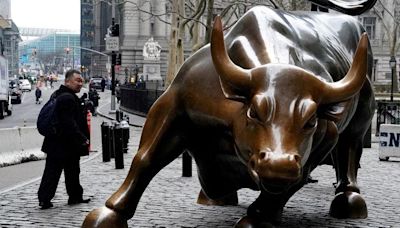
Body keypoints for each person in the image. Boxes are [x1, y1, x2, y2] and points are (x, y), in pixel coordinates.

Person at [37, 69, 91, 209]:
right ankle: (48, 198)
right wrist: (82, 138)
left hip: (58, 143)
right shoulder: (67, 98)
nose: (80, 83)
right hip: (63, 143)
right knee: (56, 172)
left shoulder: (60, 94)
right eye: (77, 81)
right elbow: (69, 122)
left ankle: (72, 196)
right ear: (67, 81)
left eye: (81, 81)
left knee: (67, 171)